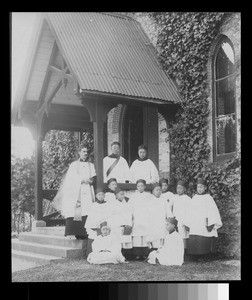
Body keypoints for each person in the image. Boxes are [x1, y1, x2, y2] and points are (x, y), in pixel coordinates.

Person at [52, 145, 96, 239]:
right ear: (79, 152)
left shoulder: (91, 165)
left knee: (87, 209)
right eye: (83, 151)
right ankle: (77, 232)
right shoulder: (74, 165)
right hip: (77, 191)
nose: (85, 153)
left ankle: (86, 233)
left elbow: (94, 177)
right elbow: (70, 179)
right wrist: (81, 180)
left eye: (86, 152)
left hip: (87, 191)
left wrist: (91, 181)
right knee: (77, 210)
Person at [185, 178, 222, 258]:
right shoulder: (194, 198)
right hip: (195, 222)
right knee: (195, 234)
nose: (199, 189)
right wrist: (188, 223)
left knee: (205, 234)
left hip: (204, 221)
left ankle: (205, 255)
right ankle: (195, 255)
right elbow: (189, 211)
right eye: (198, 187)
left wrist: (211, 222)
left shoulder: (209, 198)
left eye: (201, 187)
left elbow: (213, 211)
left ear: (205, 188)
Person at [105, 187, 133, 259]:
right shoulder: (113, 204)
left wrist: (129, 224)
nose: (122, 196)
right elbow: (110, 216)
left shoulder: (126, 204)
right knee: (117, 241)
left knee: (125, 241)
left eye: (123, 194)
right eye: (120, 194)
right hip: (116, 226)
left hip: (125, 225)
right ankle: (117, 255)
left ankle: (126, 256)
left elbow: (129, 214)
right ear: (116, 196)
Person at [128, 179, 152, 260]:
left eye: (142, 186)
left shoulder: (149, 196)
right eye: (138, 186)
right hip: (137, 218)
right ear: (136, 187)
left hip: (146, 218)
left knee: (145, 236)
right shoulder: (133, 196)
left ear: (145, 186)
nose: (140, 187)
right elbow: (130, 207)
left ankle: (145, 254)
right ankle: (137, 254)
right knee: (137, 236)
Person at [147, 183, 174, 251]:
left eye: (160, 190)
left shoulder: (164, 200)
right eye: (156, 190)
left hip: (162, 221)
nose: (158, 192)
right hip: (153, 221)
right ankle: (153, 251)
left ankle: (161, 250)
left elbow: (168, 211)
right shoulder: (150, 200)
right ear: (153, 191)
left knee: (162, 235)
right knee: (153, 235)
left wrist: (170, 218)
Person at [85, 188, 107, 256]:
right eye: (99, 194)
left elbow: (109, 215)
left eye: (102, 194)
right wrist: (93, 226)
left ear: (104, 196)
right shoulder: (93, 205)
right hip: (95, 225)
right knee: (93, 235)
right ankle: (92, 253)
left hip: (104, 224)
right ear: (96, 196)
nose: (101, 196)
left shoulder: (108, 204)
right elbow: (91, 217)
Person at [172, 180, 191, 250]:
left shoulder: (187, 199)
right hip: (176, 219)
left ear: (184, 189)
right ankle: (177, 250)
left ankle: (184, 250)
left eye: (181, 188)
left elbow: (190, 211)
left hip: (183, 219)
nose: (179, 190)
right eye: (178, 188)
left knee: (183, 235)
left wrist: (187, 222)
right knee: (176, 235)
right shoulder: (174, 197)